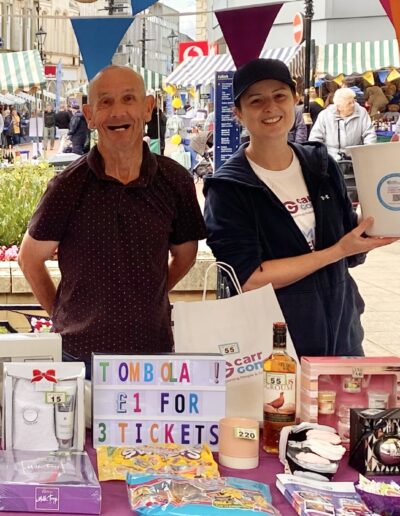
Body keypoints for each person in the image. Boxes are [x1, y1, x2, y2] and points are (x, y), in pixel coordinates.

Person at [18, 65, 206, 376]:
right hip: (79, 357)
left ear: (147, 108)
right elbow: (29, 259)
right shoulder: (67, 186)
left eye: (128, 99)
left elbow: (186, 255)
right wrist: (62, 314)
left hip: (152, 354)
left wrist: (147, 291)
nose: (117, 112)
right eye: (105, 102)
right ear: (89, 115)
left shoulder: (174, 181)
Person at [203, 58, 398, 358]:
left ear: (294, 101)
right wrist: (337, 251)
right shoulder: (229, 187)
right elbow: (249, 277)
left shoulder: (321, 165)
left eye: (279, 95)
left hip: (342, 335)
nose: (270, 107)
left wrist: (382, 221)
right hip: (274, 347)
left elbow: (349, 244)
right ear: (238, 114)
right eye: (256, 101)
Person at [309, 88, 376, 160]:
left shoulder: (361, 112)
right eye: (349, 103)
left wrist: (366, 153)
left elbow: (369, 134)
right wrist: (324, 156)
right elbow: (315, 140)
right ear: (339, 107)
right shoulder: (324, 115)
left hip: (355, 157)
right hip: (331, 159)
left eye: (353, 101)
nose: (353, 105)